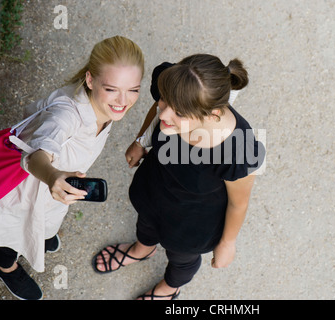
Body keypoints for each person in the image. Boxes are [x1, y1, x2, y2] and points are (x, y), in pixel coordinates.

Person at [93, 54, 265, 300]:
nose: (163, 116)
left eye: (179, 113)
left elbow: (239, 202)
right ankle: (142, 250)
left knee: (181, 258)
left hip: (193, 221)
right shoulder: (178, 87)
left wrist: (227, 243)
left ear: (212, 115)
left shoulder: (237, 148)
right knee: (145, 223)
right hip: (154, 188)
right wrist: (141, 140)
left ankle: (168, 288)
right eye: (164, 100)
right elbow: (159, 110)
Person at [0, 35, 145, 300]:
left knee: (49, 219)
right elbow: (38, 155)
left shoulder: (103, 104)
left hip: (55, 188)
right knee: (12, 230)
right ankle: (4, 263)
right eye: (112, 89)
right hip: (25, 190)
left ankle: (42, 234)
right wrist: (51, 175)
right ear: (91, 80)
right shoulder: (67, 115)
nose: (123, 100)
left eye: (133, 89)